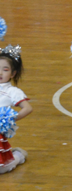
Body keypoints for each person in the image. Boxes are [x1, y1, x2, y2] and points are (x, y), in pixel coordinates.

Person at [0, 46, 32, 174]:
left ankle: (18, 156)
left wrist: (9, 119)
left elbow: (28, 108)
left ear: (13, 74)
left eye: (5, 70)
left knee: (1, 169)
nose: (0, 73)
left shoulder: (12, 91)